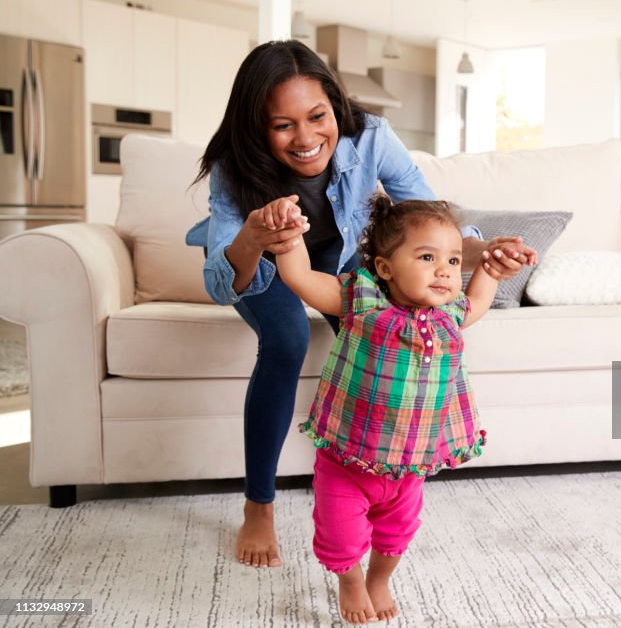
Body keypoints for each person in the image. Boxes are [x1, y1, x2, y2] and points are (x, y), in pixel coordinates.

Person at [185, 40, 536, 569]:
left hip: (345, 254)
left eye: (317, 116)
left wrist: (485, 253)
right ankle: (259, 503)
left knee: (387, 333)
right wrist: (254, 238)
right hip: (266, 257)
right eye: (283, 125)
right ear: (257, 127)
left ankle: (367, 481)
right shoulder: (233, 165)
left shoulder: (371, 136)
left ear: (335, 104)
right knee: (287, 339)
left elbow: (426, 219)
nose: (306, 138)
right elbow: (221, 282)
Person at [277, 195, 496, 623]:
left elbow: (481, 300)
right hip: (347, 461)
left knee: (398, 534)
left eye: (453, 261)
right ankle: (351, 581)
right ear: (385, 267)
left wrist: (490, 267)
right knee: (340, 538)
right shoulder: (362, 302)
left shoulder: (450, 315)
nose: (444, 270)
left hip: (409, 466)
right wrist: (289, 237)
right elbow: (300, 277)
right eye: (428, 257)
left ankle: (379, 579)